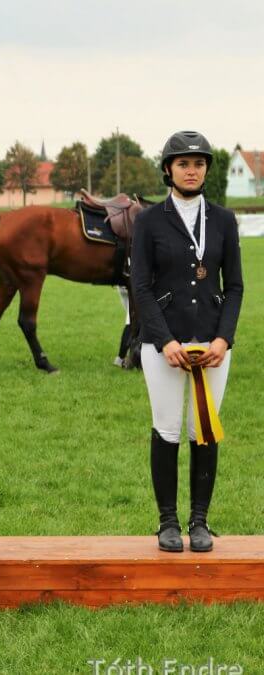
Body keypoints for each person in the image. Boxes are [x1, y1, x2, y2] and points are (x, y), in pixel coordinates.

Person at [130, 131, 243, 554]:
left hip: (212, 346)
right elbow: (140, 287)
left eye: (198, 163)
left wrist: (223, 338)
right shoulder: (148, 222)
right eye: (183, 163)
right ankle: (167, 522)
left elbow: (234, 287)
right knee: (168, 428)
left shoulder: (224, 221)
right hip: (163, 345)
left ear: (206, 170)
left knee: (204, 431)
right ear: (167, 169)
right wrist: (164, 341)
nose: (191, 170)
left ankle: (199, 521)